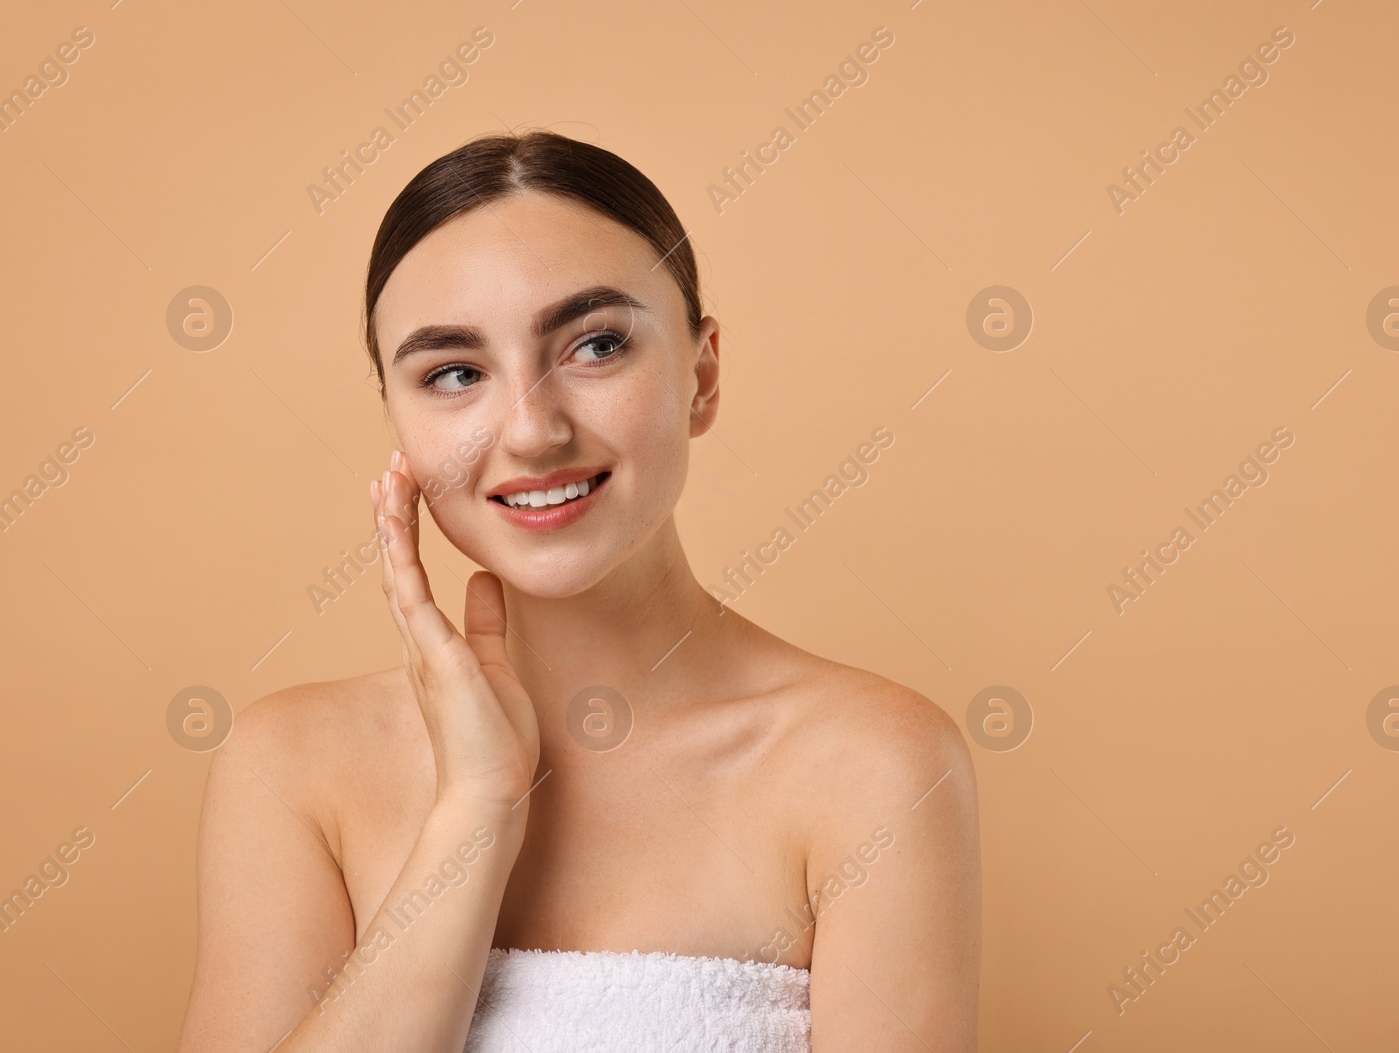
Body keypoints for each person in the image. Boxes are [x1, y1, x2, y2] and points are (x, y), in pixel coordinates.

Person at [176, 130, 980, 1052]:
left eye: (596, 345)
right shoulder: (291, 767)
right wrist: (474, 808)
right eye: (454, 373)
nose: (531, 429)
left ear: (702, 375)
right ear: (399, 420)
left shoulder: (874, 765)